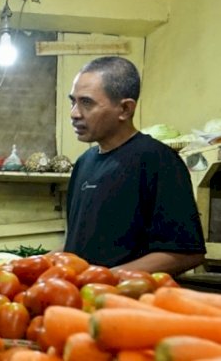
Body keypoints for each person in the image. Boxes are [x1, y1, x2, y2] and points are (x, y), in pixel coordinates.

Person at [64, 56, 205, 274]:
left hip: (127, 304)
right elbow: (76, 246)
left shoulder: (158, 161)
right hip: (82, 302)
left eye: (87, 103)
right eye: (73, 101)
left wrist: (108, 280)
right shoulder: (84, 163)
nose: (74, 113)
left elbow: (186, 253)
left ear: (125, 109)